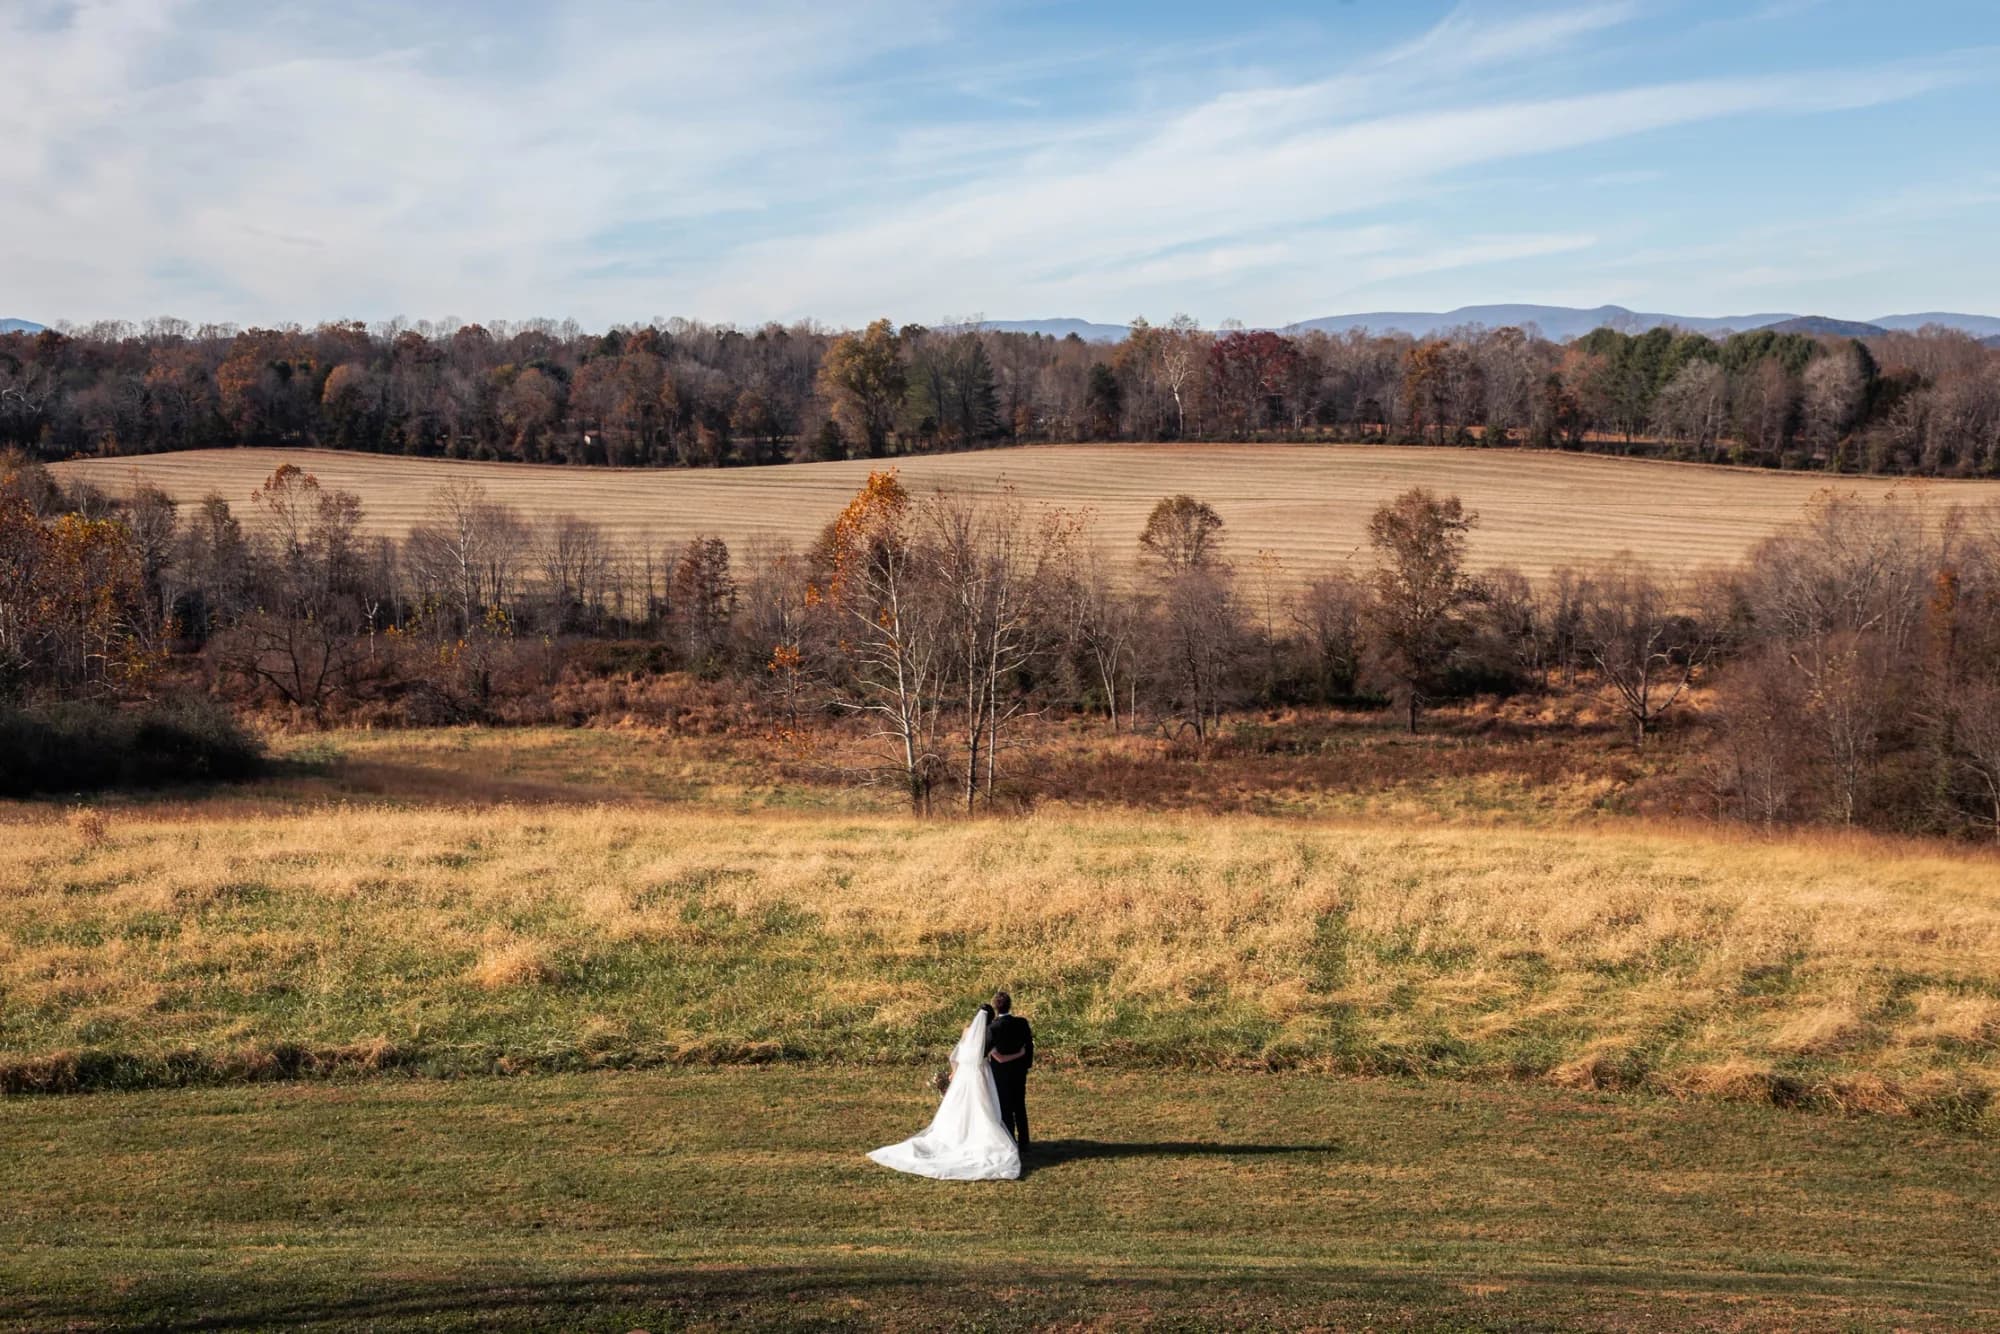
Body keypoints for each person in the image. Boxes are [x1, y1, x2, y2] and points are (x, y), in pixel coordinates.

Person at [866, 1001, 1021, 1181]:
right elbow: (999, 1058)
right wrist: (1019, 1053)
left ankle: (958, 1136)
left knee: (960, 1106)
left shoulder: (966, 1031)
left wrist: (954, 1072)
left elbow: (955, 1055)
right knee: (981, 1107)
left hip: (964, 1075)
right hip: (980, 1075)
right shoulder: (989, 1035)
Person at [984, 990, 1033, 1151]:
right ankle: (1024, 1140)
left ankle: (1010, 1138)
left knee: (1005, 1106)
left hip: (1001, 1073)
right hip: (1019, 1071)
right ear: (1009, 1005)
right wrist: (1026, 1064)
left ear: (996, 1007)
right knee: (1019, 1105)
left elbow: (986, 1049)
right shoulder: (1022, 1023)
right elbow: (1029, 1045)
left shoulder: (993, 1028)